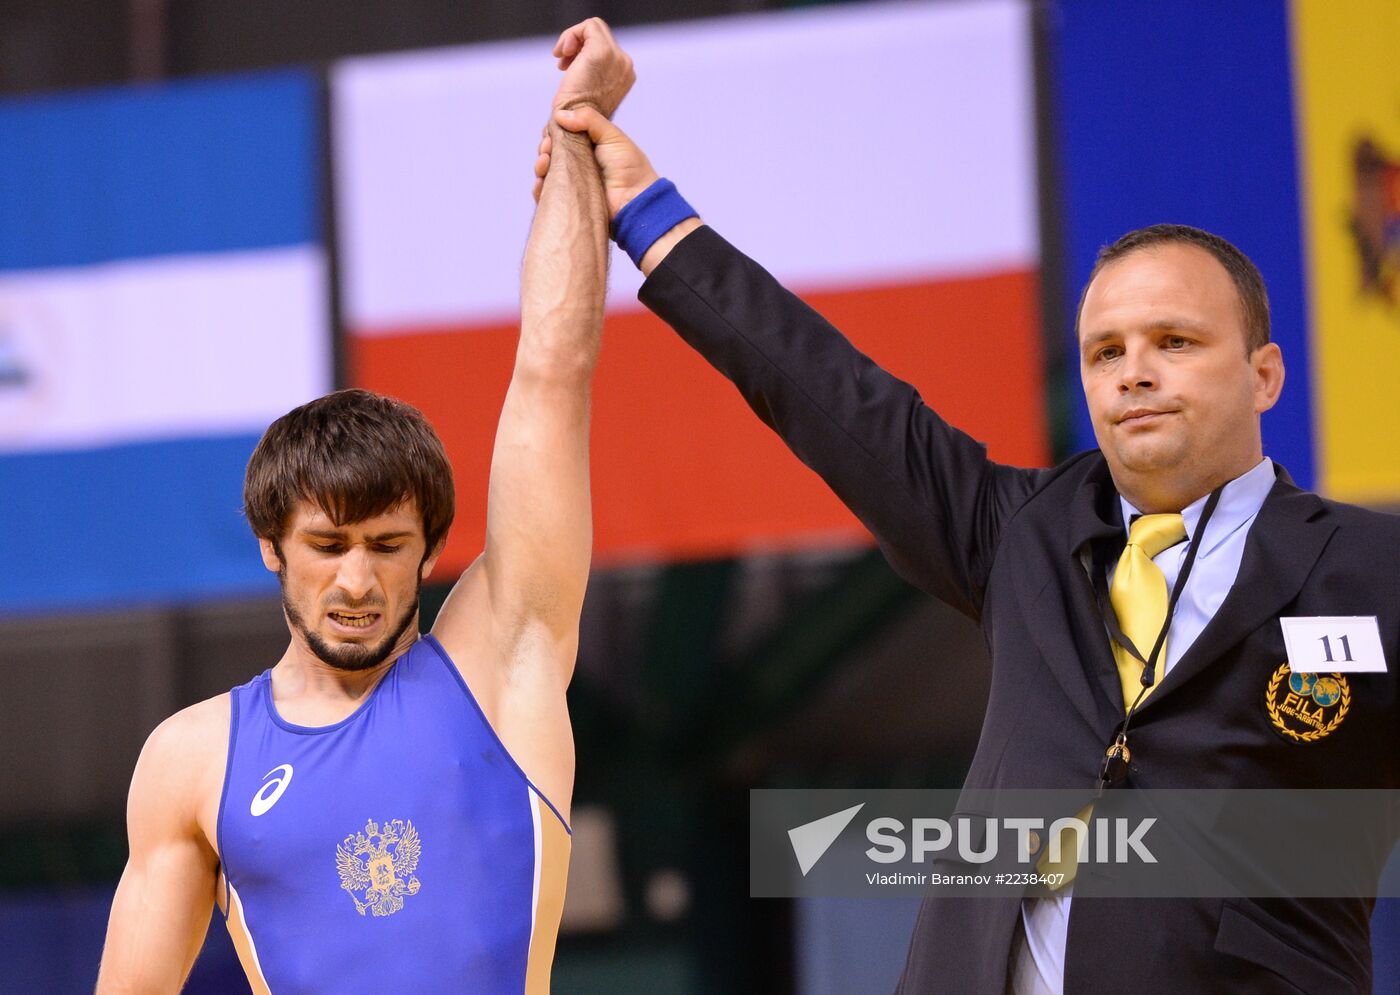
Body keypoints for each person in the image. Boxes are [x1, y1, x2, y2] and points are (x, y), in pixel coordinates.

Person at [535, 27, 1400, 994]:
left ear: (1265, 374)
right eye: (1105, 352)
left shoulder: (1374, 568)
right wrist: (651, 215)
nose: (1136, 373)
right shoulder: (1023, 531)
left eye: (1175, 340)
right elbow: (833, 396)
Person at [94, 20, 632, 993]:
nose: (355, 577)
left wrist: (578, 135)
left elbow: (552, 371)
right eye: (326, 543)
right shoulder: (192, 759)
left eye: (387, 543)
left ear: (429, 549)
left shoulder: (500, 659)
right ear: (270, 547)